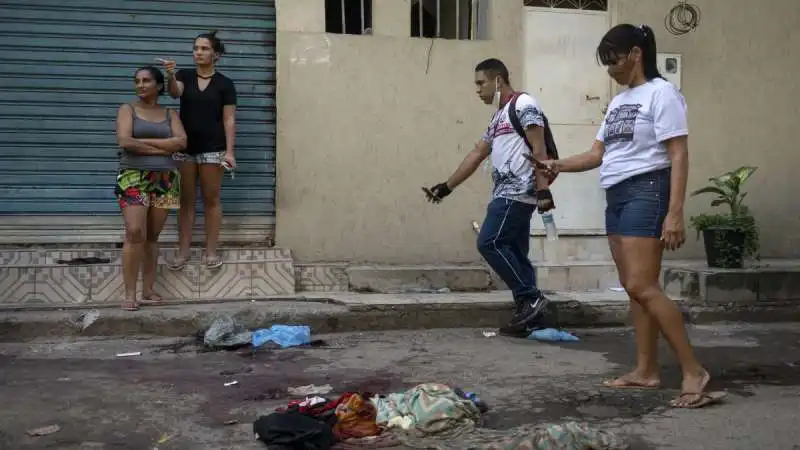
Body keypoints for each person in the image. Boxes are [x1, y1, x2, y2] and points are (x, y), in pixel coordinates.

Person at [537, 24, 724, 409]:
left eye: (614, 60)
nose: (610, 69)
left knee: (642, 285)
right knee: (635, 290)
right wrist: (556, 164)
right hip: (617, 194)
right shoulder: (620, 102)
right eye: (605, 63)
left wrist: (675, 211)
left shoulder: (663, 93)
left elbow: (678, 153)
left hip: (647, 189)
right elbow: (596, 154)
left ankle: (694, 371)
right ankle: (646, 370)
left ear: (636, 54)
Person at [425, 58, 554, 337]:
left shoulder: (524, 104)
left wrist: (543, 190)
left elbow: (539, 148)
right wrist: (447, 186)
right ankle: (529, 316)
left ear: (499, 80)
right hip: (505, 193)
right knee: (517, 253)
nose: (478, 89)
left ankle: (530, 297)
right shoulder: (498, 117)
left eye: (481, 83)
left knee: (490, 242)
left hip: (517, 192)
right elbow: (477, 154)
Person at [160, 30, 237, 270]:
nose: (198, 52)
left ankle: (210, 251)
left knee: (212, 200)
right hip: (185, 149)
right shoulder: (184, 75)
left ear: (216, 54)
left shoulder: (225, 84)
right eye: (195, 48)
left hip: (214, 150)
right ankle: (183, 251)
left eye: (204, 49)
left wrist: (230, 152)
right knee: (186, 201)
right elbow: (175, 93)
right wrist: (170, 75)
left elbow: (229, 120)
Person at [115, 66, 187, 311]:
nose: (140, 85)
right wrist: (163, 148)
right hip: (133, 176)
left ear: (158, 86)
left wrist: (142, 142)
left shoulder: (170, 113)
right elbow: (125, 141)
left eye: (146, 81)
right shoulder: (128, 110)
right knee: (135, 231)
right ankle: (129, 293)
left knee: (152, 236)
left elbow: (182, 142)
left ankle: (147, 289)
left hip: (166, 178)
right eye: (137, 81)